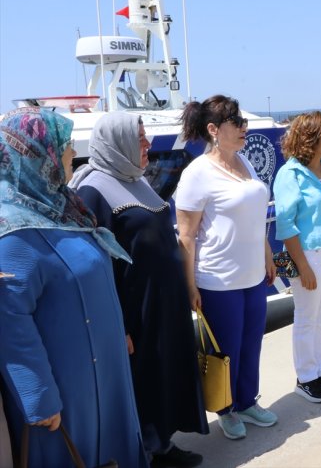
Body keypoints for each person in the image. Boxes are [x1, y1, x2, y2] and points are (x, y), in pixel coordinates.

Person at [0, 107, 147, 467]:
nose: (70, 153)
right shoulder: (12, 233)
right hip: (66, 389)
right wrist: (39, 398)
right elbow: (9, 320)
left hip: (104, 369)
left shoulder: (61, 208)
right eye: (63, 145)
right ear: (34, 155)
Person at [70, 112, 208, 466]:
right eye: (140, 139)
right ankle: (146, 451)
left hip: (164, 302)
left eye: (146, 138)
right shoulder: (93, 190)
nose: (147, 145)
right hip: (135, 308)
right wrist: (119, 324)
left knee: (166, 370)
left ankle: (164, 443)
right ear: (117, 143)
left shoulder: (135, 178)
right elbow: (98, 262)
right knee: (142, 379)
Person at [176, 95, 277, 440]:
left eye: (243, 122)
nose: (244, 129)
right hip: (218, 280)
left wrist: (267, 256)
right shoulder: (197, 174)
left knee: (251, 344)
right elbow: (186, 237)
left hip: (252, 275)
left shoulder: (245, 162)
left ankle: (247, 401)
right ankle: (226, 409)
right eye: (237, 123)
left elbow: (255, 218)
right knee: (225, 352)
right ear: (213, 130)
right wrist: (189, 287)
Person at [273, 112, 321, 403]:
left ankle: (320, 369)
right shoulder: (290, 175)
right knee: (306, 317)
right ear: (309, 138)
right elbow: (286, 225)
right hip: (306, 254)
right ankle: (305, 377)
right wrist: (303, 267)